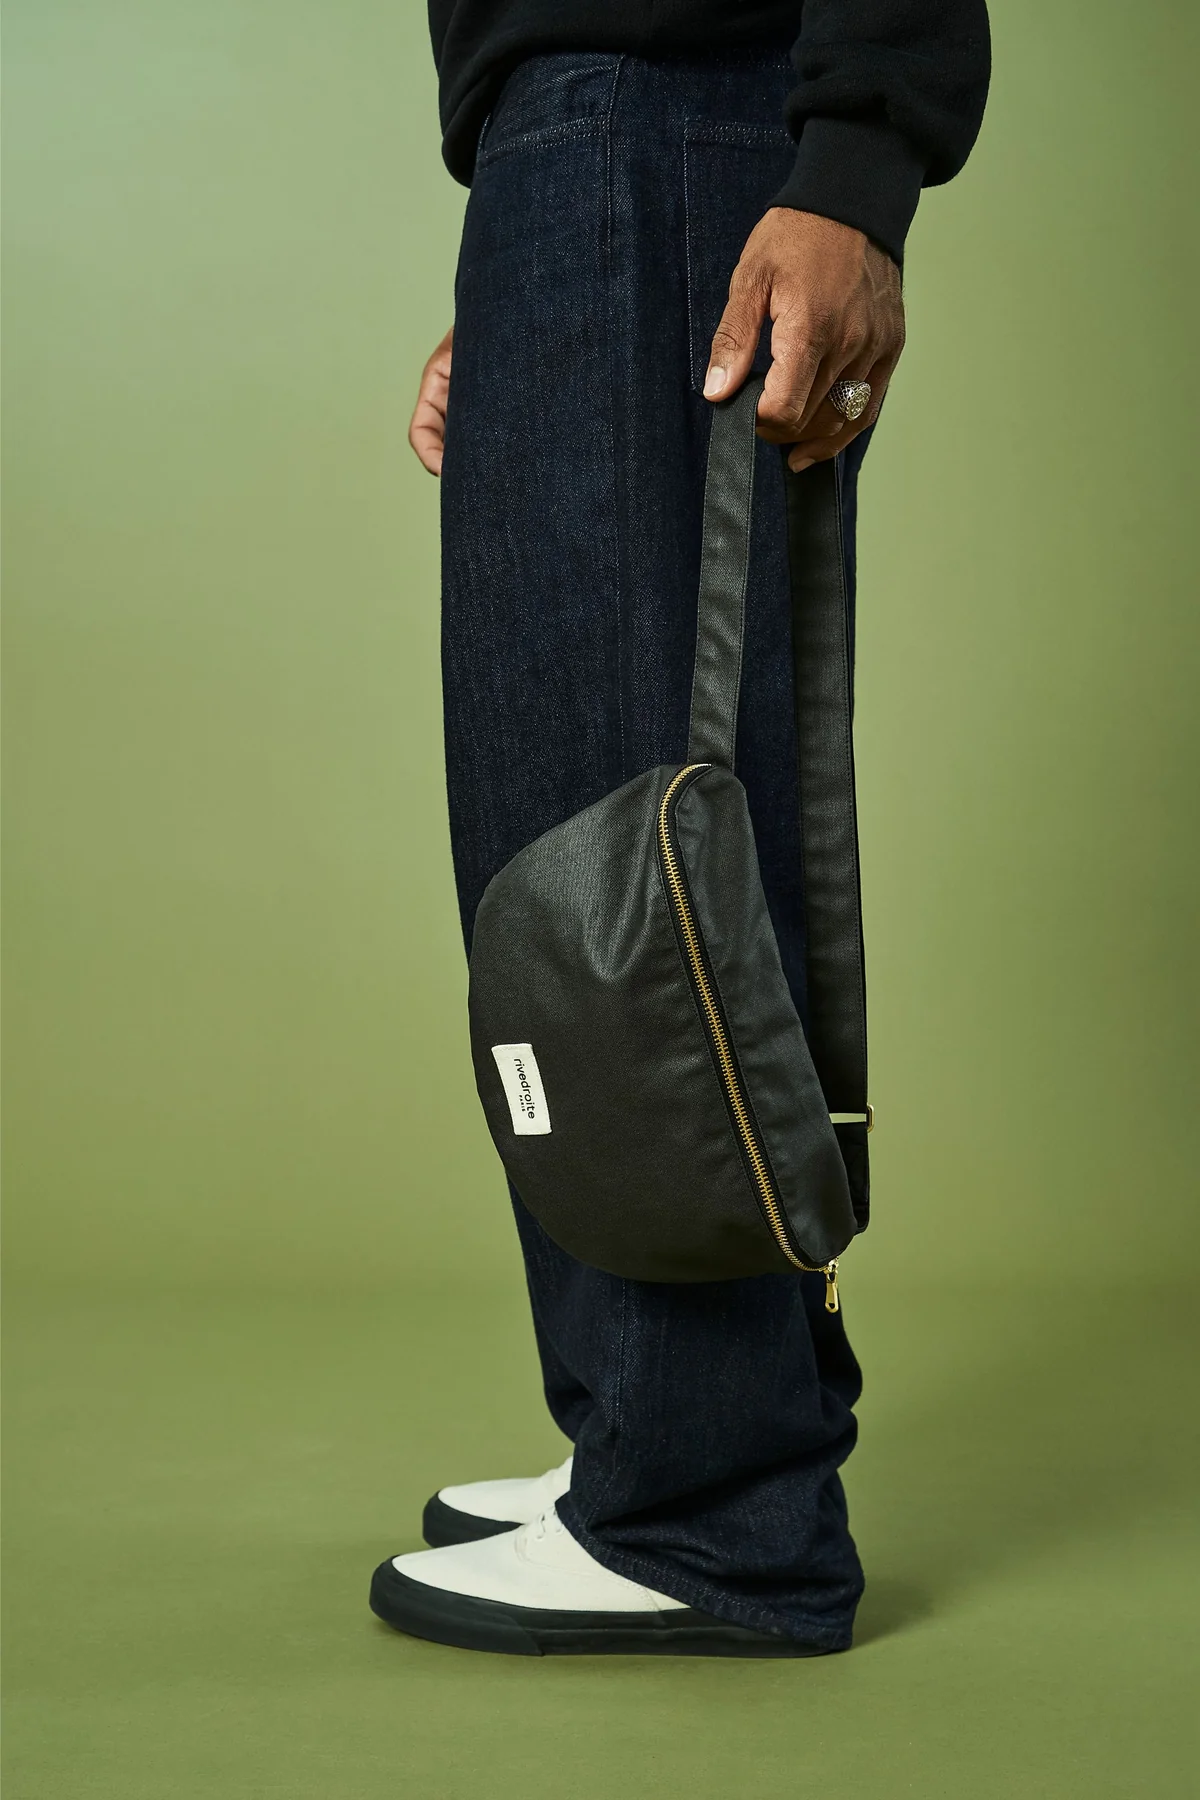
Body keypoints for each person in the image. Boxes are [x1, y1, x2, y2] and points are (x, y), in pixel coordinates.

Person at [370, 1, 990, 1656]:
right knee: (578, 837)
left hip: (670, 114)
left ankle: (706, 1508)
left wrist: (854, 168)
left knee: (626, 861)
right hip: (591, 144)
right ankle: (655, 1439)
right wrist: (539, 232)